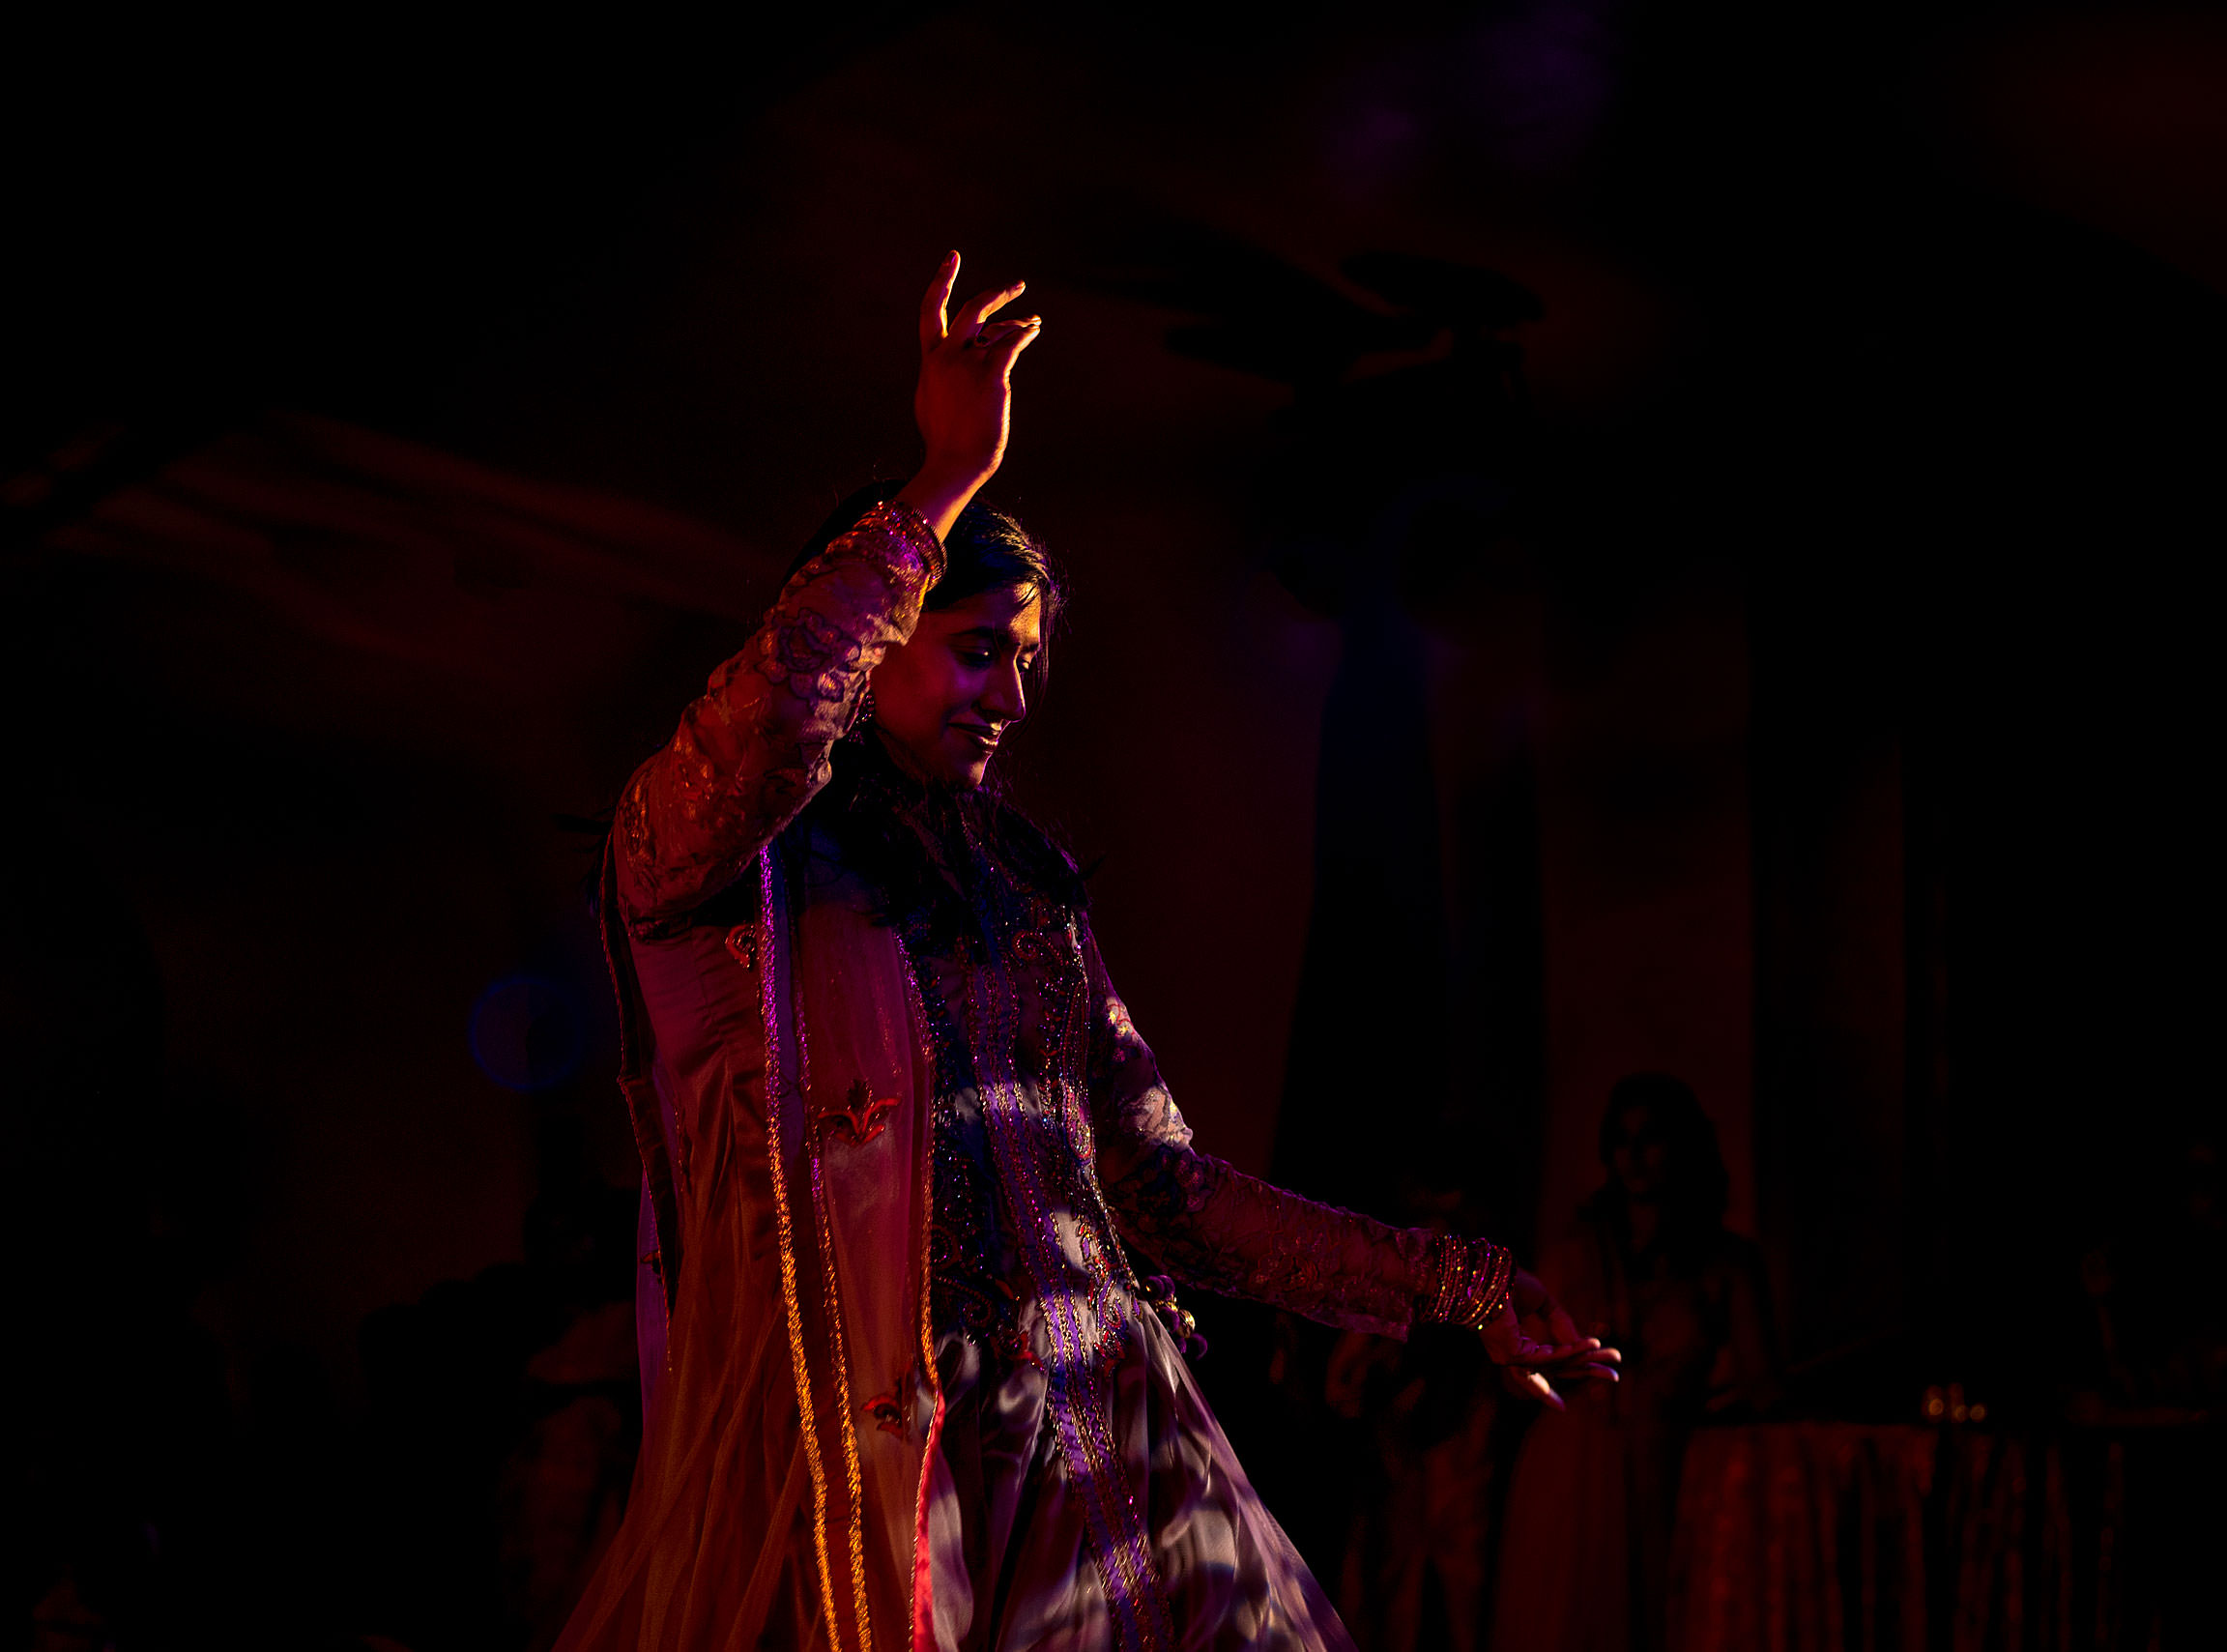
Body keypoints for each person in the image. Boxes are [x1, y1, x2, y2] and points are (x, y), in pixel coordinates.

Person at [554, 253, 1616, 1652]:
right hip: (878, 1470)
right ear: (882, 638)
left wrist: (1457, 1285)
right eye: (980, 650)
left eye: (1030, 662)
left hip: (1112, 1447)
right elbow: (770, 724)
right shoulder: (723, 868)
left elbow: (1162, 1192)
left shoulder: (1025, 892)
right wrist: (936, 487)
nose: (1012, 696)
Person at [1490, 1074, 1775, 1652]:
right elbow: (1513, 1364)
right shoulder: (1577, 1251)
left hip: (1667, 1471)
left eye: (1652, 1138)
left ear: (1683, 1146)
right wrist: (1561, 1370)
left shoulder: (1726, 1264)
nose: (1636, 1155)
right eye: (1622, 1140)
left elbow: (1765, 1390)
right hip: (1571, 1474)